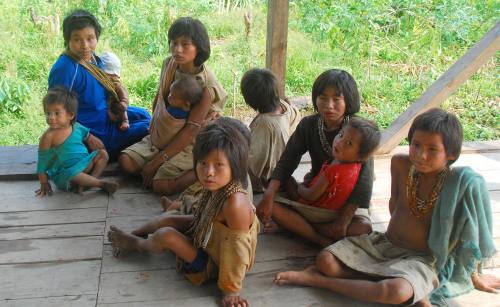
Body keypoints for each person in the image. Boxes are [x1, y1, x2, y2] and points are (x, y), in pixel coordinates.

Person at [274, 108, 499, 306]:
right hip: (383, 246)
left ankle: (317, 281)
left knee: (395, 291)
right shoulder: (400, 164)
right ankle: (410, 288)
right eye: (416, 145)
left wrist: (475, 275)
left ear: (451, 154)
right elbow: (394, 208)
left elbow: (471, 230)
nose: (421, 155)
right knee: (326, 260)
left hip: (419, 259)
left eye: (433, 150)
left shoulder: (457, 183)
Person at [108, 119, 259, 307]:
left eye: (218, 165)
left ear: (235, 165)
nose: (208, 172)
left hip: (215, 264)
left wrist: (231, 291)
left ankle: (138, 244)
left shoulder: (235, 204)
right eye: (203, 163)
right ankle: (136, 233)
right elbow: (204, 216)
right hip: (209, 235)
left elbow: (237, 252)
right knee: (170, 219)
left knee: (167, 235)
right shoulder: (219, 185)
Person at [257, 69, 374, 242]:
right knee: (274, 199)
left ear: (349, 100)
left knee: (363, 227)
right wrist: (268, 196)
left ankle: (300, 227)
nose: (329, 105)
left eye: (336, 99)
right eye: (323, 98)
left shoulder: (359, 131)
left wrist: (343, 222)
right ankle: (319, 237)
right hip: (314, 197)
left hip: (345, 202)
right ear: (315, 98)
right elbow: (288, 159)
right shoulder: (309, 125)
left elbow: (364, 183)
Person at [119, 16, 227, 194]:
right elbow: (159, 96)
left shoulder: (206, 86)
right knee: (125, 161)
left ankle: (200, 170)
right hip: (163, 135)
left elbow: (191, 130)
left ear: (198, 47)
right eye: (174, 43)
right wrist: (154, 128)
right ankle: (157, 166)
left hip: (188, 143)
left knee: (161, 186)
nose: (177, 50)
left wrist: (156, 161)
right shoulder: (169, 64)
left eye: (185, 44)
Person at [48, 9, 151, 158]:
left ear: (97, 37)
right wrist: (88, 137)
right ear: (67, 40)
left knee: (144, 115)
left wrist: (112, 107)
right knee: (149, 126)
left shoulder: (94, 60)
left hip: (103, 116)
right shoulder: (66, 68)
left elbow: (104, 90)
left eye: (90, 38)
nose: (85, 45)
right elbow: (55, 113)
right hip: (92, 131)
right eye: (77, 39)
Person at [275, 117, 380, 246]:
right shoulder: (356, 166)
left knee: (278, 199)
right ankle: (321, 229)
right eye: (341, 135)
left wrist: (301, 187)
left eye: (349, 143)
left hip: (318, 210)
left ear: (361, 156)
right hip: (337, 209)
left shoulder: (333, 170)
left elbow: (311, 195)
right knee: (363, 227)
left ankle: (309, 229)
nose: (339, 142)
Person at [120, 76, 203, 188]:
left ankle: (197, 173)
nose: (169, 97)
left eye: (173, 97)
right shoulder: (172, 106)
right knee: (124, 160)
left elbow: (189, 132)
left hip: (179, 150)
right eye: (170, 93)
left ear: (186, 104)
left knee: (161, 185)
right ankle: (150, 171)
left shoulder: (186, 114)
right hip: (155, 143)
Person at [36, 86, 118, 196]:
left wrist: (93, 141)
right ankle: (100, 184)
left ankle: (88, 182)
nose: (51, 117)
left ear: (71, 115)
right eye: (48, 113)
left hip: (84, 163)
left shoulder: (77, 127)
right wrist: (44, 183)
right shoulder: (48, 137)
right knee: (72, 173)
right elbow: (42, 163)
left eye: (56, 113)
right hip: (65, 174)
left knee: (103, 154)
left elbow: (89, 136)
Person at [241, 68, 301, 192]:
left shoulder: (265, 123)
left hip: (269, 176)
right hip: (285, 165)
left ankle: (257, 188)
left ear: (250, 100)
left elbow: (256, 160)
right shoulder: (285, 106)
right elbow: (295, 115)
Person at [100, 51, 129, 131]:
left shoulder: (116, 84)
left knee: (121, 109)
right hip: (107, 105)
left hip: (116, 104)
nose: (112, 78)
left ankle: (125, 121)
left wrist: (124, 101)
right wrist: (109, 113)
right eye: (108, 75)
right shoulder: (101, 83)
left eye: (113, 76)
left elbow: (123, 92)